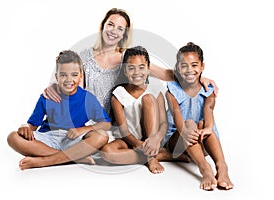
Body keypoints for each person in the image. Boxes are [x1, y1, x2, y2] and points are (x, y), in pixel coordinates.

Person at [44, 8, 219, 123]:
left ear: (124, 34)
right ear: (103, 26)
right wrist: (52, 86)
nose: (114, 31)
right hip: (88, 120)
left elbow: (165, 74)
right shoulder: (83, 57)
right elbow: (71, 85)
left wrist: (197, 77)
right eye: (110, 24)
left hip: (118, 121)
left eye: (120, 28)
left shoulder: (128, 59)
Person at [7, 50, 111, 170]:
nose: (68, 79)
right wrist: (25, 126)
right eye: (63, 75)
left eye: (74, 75)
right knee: (13, 137)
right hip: (48, 139)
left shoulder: (88, 99)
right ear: (57, 77)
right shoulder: (47, 97)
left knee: (102, 136)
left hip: (73, 140)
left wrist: (81, 130)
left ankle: (45, 161)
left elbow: (106, 124)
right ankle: (73, 159)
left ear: (81, 75)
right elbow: (32, 125)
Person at [100, 46, 189, 174]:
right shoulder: (118, 94)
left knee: (148, 99)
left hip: (152, 139)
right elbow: (124, 130)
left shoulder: (155, 89)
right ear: (125, 70)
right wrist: (139, 145)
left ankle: (151, 156)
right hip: (130, 140)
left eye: (141, 67)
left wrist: (156, 138)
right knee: (106, 153)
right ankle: (159, 155)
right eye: (131, 68)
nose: (137, 72)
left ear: (148, 69)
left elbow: (163, 124)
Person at [161, 42, 234, 190]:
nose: (189, 70)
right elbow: (177, 115)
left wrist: (207, 128)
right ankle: (205, 169)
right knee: (190, 123)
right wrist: (186, 130)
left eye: (194, 65)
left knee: (202, 124)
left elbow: (209, 110)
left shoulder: (209, 90)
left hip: (202, 141)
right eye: (184, 65)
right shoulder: (172, 91)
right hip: (177, 142)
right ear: (178, 68)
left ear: (202, 67)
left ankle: (222, 167)